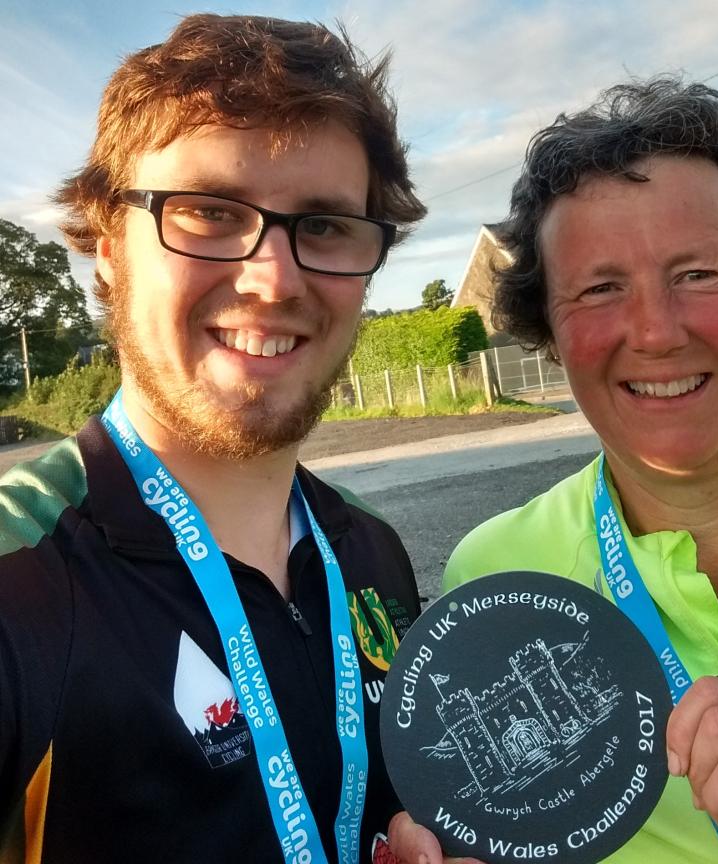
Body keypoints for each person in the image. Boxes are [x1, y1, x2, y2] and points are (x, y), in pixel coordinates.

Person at [0, 14, 427, 862]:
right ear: (107, 246)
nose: (272, 278)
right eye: (208, 210)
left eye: (327, 224)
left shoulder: (373, 556)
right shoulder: (20, 576)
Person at [388, 78, 718, 863]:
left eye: (699, 274)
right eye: (601, 289)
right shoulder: (494, 583)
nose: (654, 332)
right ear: (550, 334)